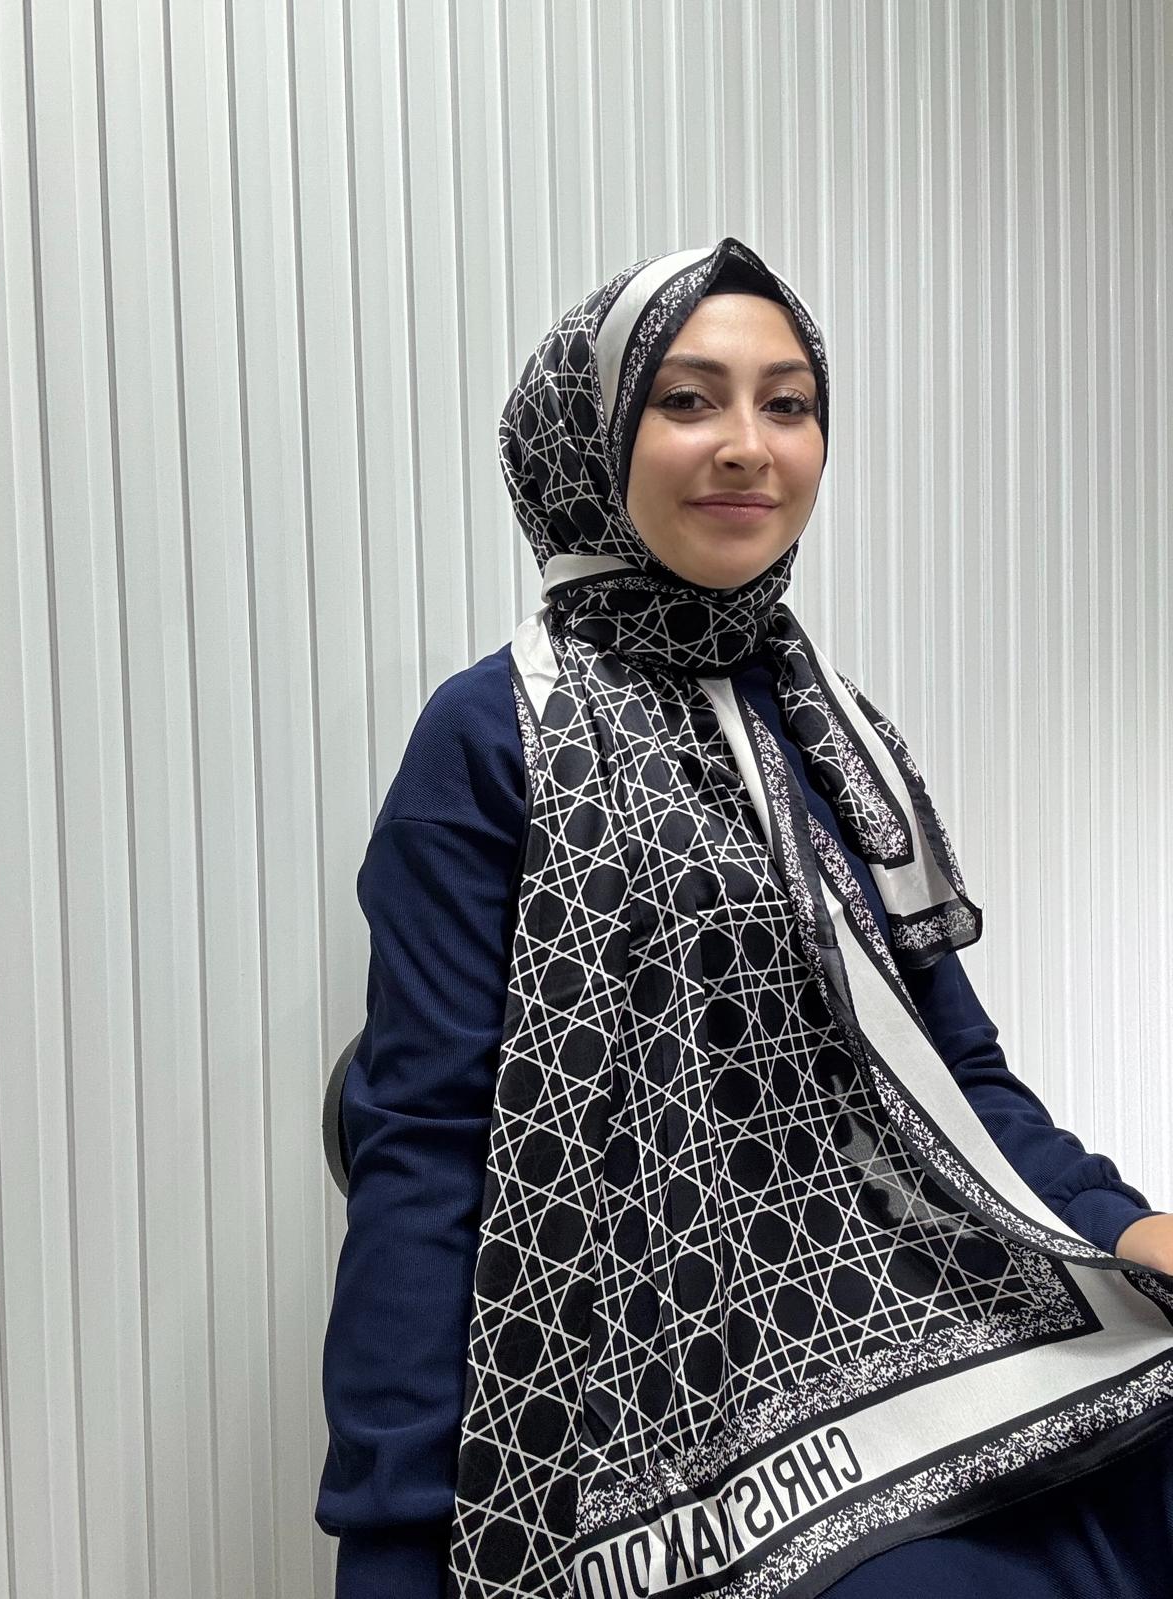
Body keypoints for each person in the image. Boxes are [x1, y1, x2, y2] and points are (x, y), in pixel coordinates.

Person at [316, 238, 1173, 1598]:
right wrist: (394, 1529)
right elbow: (425, 1147)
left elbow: (956, 1075)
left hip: (926, 1303)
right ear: (589, 440)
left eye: (788, 404)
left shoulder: (834, 733)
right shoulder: (488, 739)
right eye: (686, 399)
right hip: (659, 1390)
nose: (747, 446)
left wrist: (1117, 1224)